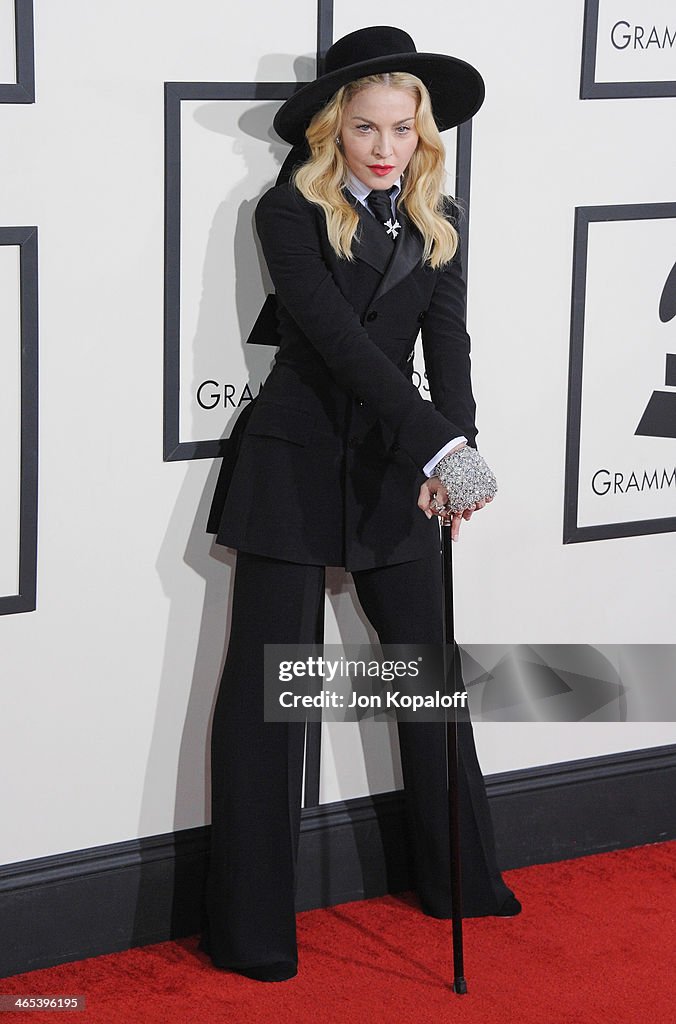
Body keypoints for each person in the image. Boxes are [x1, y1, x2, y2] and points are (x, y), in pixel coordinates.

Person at [199, 26, 520, 983]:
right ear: (334, 130)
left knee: (427, 678)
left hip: (399, 469)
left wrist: (453, 452)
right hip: (291, 468)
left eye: (404, 129)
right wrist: (442, 446)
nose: (386, 148)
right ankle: (251, 929)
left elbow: (448, 353)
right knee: (270, 697)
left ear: (424, 135)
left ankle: (459, 878)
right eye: (367, 128)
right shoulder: (285, 213)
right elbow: (341, 348)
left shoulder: (438, 214)